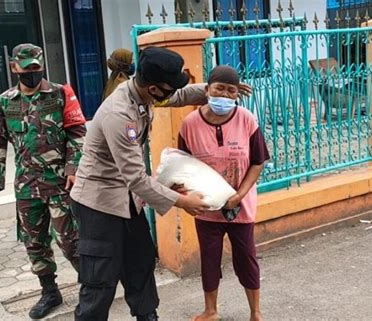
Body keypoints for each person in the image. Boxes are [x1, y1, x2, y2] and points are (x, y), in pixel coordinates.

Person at [70, 46, 253, 321]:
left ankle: (147, 317)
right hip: (99, 203)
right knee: (100, 278)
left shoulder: (145, 93)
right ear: (154, 89)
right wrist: (183, 201)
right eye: (167, 88)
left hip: (127, 200)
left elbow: (179, 95)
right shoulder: (120, 115)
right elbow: (136, 178)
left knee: (141, 262)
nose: (172, 92)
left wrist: (216, 89)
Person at [0, 43, 86, 319]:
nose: (32, 74)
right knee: (34, 242)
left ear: (42, 65)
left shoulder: (61, 94)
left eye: (36, 68)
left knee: (70, 240)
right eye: (26, 69)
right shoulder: (5, 101)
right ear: (14, 67)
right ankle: (49, 291)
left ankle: (92, 288)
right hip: (26, 185)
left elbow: (77, 133)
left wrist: (73, 167)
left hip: (60, 183)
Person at [177, 65, 270, 321]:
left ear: (237, 94)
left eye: (231, 91)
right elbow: (182, 166)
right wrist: (185, 199)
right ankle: (211, 310)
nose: (225, 96)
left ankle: (256, 312)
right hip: (206, 207)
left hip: (240, 205)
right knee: (209, 258)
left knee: (246, 258)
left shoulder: (247, 119)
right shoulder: (189, 124)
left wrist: (239, 195)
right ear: (207, 90)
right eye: (219, 89)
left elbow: (258, 161)